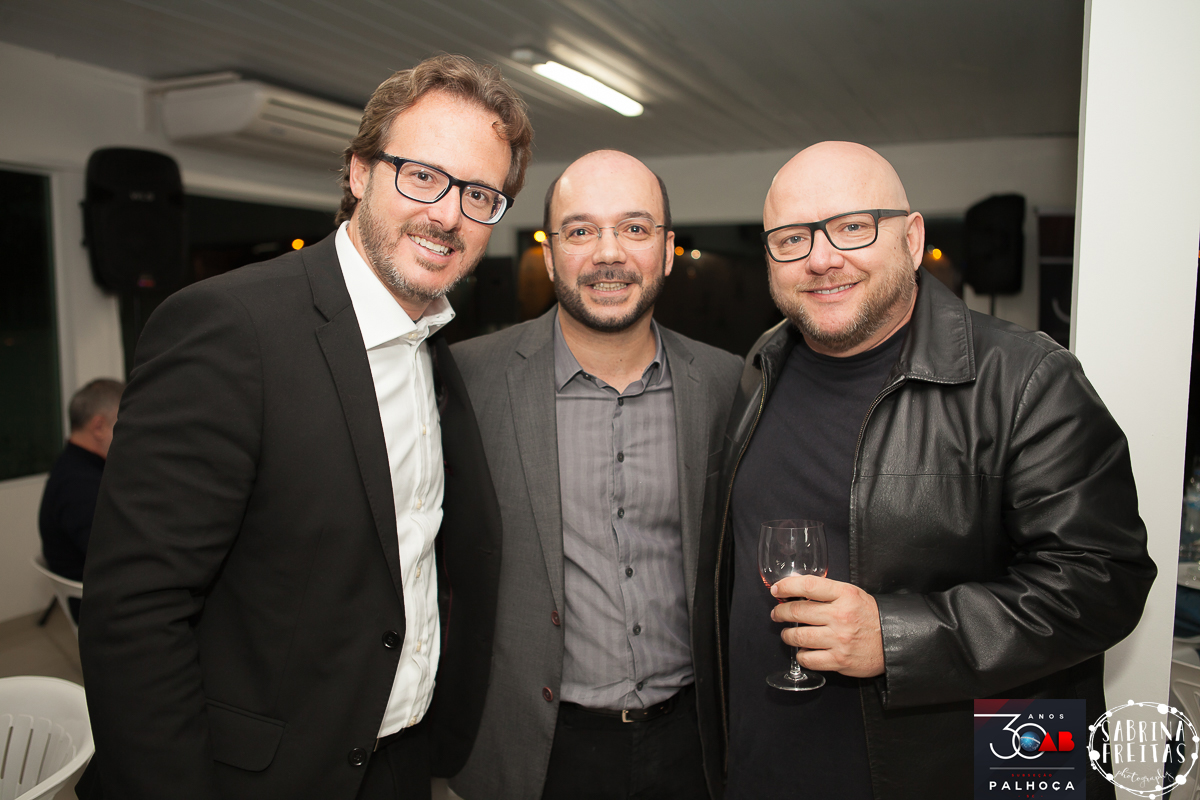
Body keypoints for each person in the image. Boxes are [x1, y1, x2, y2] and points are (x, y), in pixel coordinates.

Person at [77, 54, 533, 800]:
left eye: (480, 194)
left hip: (395, 763)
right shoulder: (230, 327)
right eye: (423, 176)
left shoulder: (435, 351)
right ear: (358, 172)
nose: (448, 214)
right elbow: (135, 612)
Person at [703, 141, 1156, 799]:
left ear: (912, 239)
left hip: (946, 772)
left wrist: (896, 636)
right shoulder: (762, 366)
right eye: (791, 238)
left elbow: (1104, 579)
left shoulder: (1026, 378)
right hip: (769, 768)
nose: (822, 258)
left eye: (853, 226)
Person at [449, 150, 742, 800]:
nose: (608, 253)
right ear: (550, 255)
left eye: (635, 229)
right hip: (534, 753)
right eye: (581, 231)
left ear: (667, 251)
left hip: (695, 746)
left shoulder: (729, 386)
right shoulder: (467, 381)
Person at [38, 378, 124, 618]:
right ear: (98, 427)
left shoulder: (73, 465)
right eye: (125, 423)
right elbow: (119, 559)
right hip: (100, 609)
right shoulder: (80, 485)